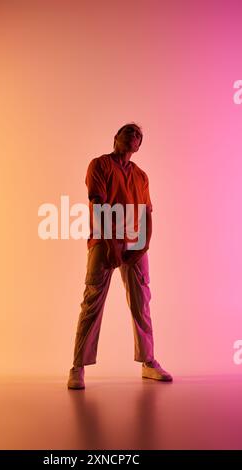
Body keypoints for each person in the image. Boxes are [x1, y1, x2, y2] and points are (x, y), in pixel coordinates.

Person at [67, 123, 172, 389]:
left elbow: (147, 212)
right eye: (128, 132)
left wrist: (144, 245)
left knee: (142, 302)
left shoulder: (141, 176)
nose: (133, 136)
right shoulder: (99, 165)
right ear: (115, 137)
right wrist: (111, 241)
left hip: (135, 243)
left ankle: (148, 362)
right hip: (104, 241)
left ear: (140, 145)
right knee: (92, 302)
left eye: (138, 135)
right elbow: (98, 203)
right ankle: (77, 366)